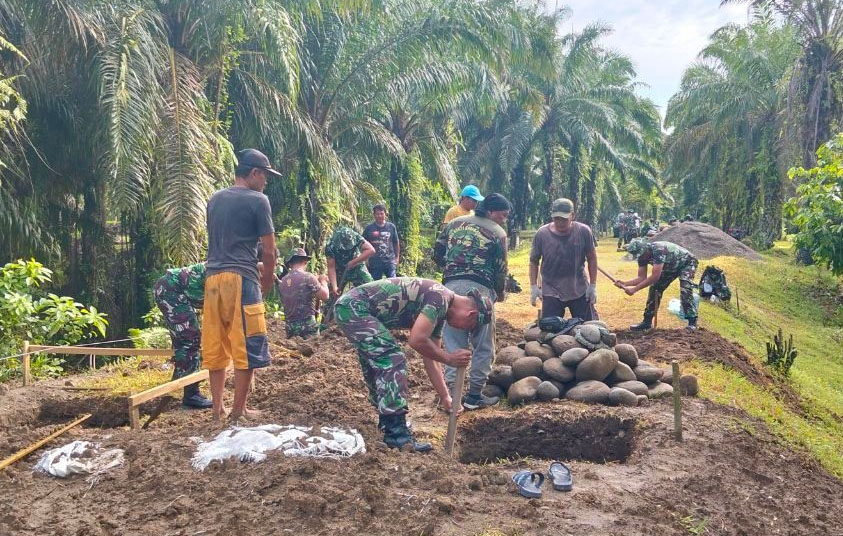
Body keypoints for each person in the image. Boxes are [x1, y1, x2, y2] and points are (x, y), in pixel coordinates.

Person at [334, 277, 492, 452]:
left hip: (351, 309)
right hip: (354, 308)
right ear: (472, 314)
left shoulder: (440, 313)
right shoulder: (440, 298)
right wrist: (449, 358)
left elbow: (430, 357)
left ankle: (388, 423)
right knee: (392, 358)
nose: (464, 330)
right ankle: (396, 435)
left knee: (379, 360)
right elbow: (416, 340)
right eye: (469, 327)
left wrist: (446, 397)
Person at [201, 148, 278, 422]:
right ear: (254, 173)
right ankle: (238, 411)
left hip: (212, 279)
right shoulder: (259, 200)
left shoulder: (214, 199)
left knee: (216, 343)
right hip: (242, 278)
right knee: (248, 344)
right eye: (265, 175)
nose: (266, 182)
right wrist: (266, 284)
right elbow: (269, 251)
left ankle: (217, 409)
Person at [434, 193, 510, 410]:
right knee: (483, 343)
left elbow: (438, 253)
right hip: (481, 291)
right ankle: (475, 396)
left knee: (452, 343)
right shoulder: (497, 233)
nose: (504, 219)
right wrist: (499, 294)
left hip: (449, 290)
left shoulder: (454, 224)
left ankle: (452, 396)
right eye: (503, 215)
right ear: (491, 211)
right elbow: (500, 270)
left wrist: (452, 270)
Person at [153, 262, 212, 409]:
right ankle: (191, 395)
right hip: (170, 290)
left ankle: (181, 379)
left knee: (185, 339)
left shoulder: (226, 263)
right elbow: (206, 300)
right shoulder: (223, 269)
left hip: (170, 289)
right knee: (190, 339)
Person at [529, 198, 598, 321]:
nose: (560, 223)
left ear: (572, 215)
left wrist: (592, 285)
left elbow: (592, 258)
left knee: (589, 329)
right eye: (556, 219)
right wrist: (534, 286)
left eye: (564, 219)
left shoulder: (583, 231)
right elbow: (534, 261)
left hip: (579, 288)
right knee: (550, 330)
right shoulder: (542, 234)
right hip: (551, 290)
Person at [615, 238, 699, 331]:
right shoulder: (641, 257)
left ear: (646, 249)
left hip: (686, 263)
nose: (641, 257)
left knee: (685, 289)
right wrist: (625, 283)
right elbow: (641, 278)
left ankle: (692, 322)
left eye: (642, 255)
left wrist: (634, 289)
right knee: (655, 288)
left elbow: (655, 276)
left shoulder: (658, 250)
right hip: (669, 266)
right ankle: (647, 322)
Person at [277, 248, 330, 338]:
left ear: (290, 264)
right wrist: (323, 281)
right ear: (305, 261)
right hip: (307, 327)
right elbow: (325, 296)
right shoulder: (308, 277)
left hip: (290, 328)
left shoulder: (282, 281)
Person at [325, 226, 375, 297]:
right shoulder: (330, 245)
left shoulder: (356, 237)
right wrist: (334, 287)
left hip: (357, 266)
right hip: (339, 270)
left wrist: (354, 261)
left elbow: (371, 250)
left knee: (372, 289)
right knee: (333, 296)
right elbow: (331, 267)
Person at [363, 204, 400, 280]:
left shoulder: (391, 227)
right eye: (377, 214)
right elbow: (363, 244)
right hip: (374, 263)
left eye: (381, 213)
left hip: (390, 262)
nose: (379, 216)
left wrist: (397, 258)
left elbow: (396, 243)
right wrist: (365, 259)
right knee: (375, 286)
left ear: (385, 214)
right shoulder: (369, 228)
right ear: (374, 215)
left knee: (393, 284)